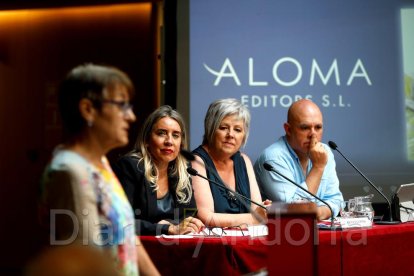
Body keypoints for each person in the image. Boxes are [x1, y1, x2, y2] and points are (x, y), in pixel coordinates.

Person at [38, 64, 159, 276]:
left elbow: (127, 237)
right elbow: (85, 262)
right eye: (122, 105)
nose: (131, 116)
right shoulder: (71, 171)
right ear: (88, 109)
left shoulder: (99, 162)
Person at [113, 105, 204, 235]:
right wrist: (167, 228)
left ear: (181, 144)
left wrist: (186, 225)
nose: (169, 141)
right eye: (161, 133)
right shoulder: (130, 166)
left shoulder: (183, 169)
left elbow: (188, 215)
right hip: (140, 247)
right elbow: (122, 222)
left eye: (176, 135)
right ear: (147, 140)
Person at [254, 99, 344, 220]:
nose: (313, 134)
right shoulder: (273, 159)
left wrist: (317, 213)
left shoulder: (325, 152)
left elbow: (336, 200)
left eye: (318, 127)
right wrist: (318, 167)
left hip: (317, 230)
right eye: (305, 127)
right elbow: (295, 211)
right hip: (281, 234)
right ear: (288, 129)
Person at [191, 98, 270, 228]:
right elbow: (207, 217)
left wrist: (264, 211)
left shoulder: (244, 161)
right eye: (223, 128)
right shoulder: (197, 162)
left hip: (244, 241)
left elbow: (257, 210)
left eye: (238, 130)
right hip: (211, 244)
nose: (231, 135)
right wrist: (254, 218)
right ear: (210, 129)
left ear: (244, 135)